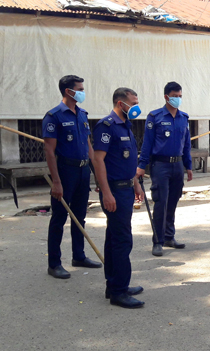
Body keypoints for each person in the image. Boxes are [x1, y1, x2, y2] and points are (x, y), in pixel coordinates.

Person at [42, 75, 102, 279]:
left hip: (83, 171)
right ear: (68, 91)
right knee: (59, 217)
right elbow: (50, 151)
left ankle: (79, 255)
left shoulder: (82, 114)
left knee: (79, 217)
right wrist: (56, 182)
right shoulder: (54, 116)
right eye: (80, 89)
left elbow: (89, 148)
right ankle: (54, 263)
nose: (83, 92)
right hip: (65, 172)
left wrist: (98, 178)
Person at [92, 88, 145, 308]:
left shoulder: (126, 125)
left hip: (125, 187)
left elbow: (128, 160)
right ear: (120, 103)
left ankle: (113, 284)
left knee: (113, 237)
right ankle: (119, 291)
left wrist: (136, 184)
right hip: (114, 190)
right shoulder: (106, 126)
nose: (136, 107)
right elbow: (98, 161)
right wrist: (106, 193)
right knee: (123, 240)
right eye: (133, 103)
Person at [137, 82, 193, 256]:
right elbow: (147, 143)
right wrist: (141, 166)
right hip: (160, 165)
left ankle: (169, 236)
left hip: (177, 166)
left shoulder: (184, 118)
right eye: (174, 96)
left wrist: (188, 165)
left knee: (173, 201)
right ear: (166, 97)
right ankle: (158, 241)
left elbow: (186, 145)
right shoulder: (155, 117)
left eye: (180, 96)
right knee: (161, 202)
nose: (178, 99)